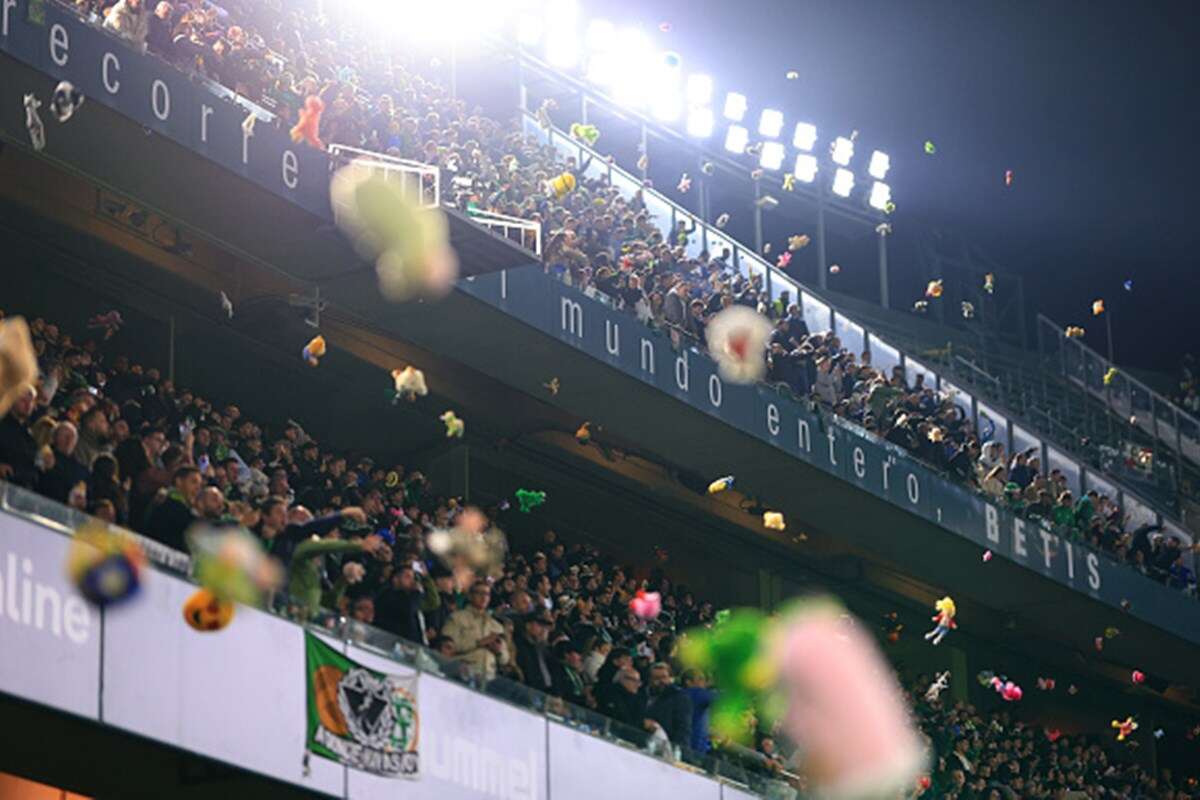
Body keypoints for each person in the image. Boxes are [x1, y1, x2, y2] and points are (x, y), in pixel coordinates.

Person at [441, 581, 510, 681]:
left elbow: (505, 659)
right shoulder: (457, 618)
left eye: (487, 594)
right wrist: (478, 643)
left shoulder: (496, 626)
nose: (484, 597)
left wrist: (499, 651)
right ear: (470, 596)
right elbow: (447, 647)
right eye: (479, 593)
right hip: (462, 674)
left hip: (489, 678)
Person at [142, 464, 202, 551]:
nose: (197, 488)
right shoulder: (171, 506)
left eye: (200, 485)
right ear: (179, 482)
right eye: (193, 482)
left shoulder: (168, 501)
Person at [645, 662, 693, 749]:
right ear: (650, 679)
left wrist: (678, 750)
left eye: (664, 677)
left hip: (668, 746)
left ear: (670, 678)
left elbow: (683, 727)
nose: (661, 681)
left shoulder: (679, 697)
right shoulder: (643, 694)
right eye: (656, 678)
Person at [374, 563, 425, 644]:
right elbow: (408, 610)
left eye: (413, 578)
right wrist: (417, 593)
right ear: (396, 579)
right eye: (407, 577)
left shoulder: (409, 598)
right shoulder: (387, 595)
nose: (412, 581)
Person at [681, 669, 716, 754]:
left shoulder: (679, 694)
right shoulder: (695, 693)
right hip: (695, 749)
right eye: (700, 679)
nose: (704, 682)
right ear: (688, 682)